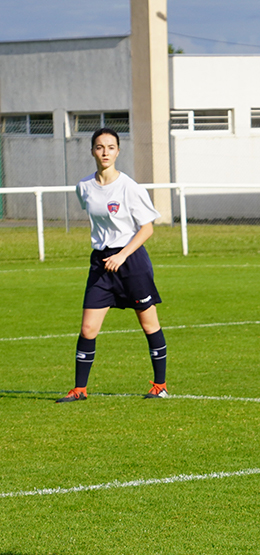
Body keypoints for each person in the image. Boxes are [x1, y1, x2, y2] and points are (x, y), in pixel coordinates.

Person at [57, 127, 169, 402]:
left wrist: (122, 255)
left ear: (118, 151)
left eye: (110, 147)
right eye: (99, 147)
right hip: (101, 263)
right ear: (92, 151)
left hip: (131, 262)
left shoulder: (129, 187)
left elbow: (147, 228)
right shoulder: (84, 186)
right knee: (88, 329)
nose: (105, 152)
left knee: (148, 324)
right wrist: (109, 255)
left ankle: (160, 386)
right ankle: (79, 390)